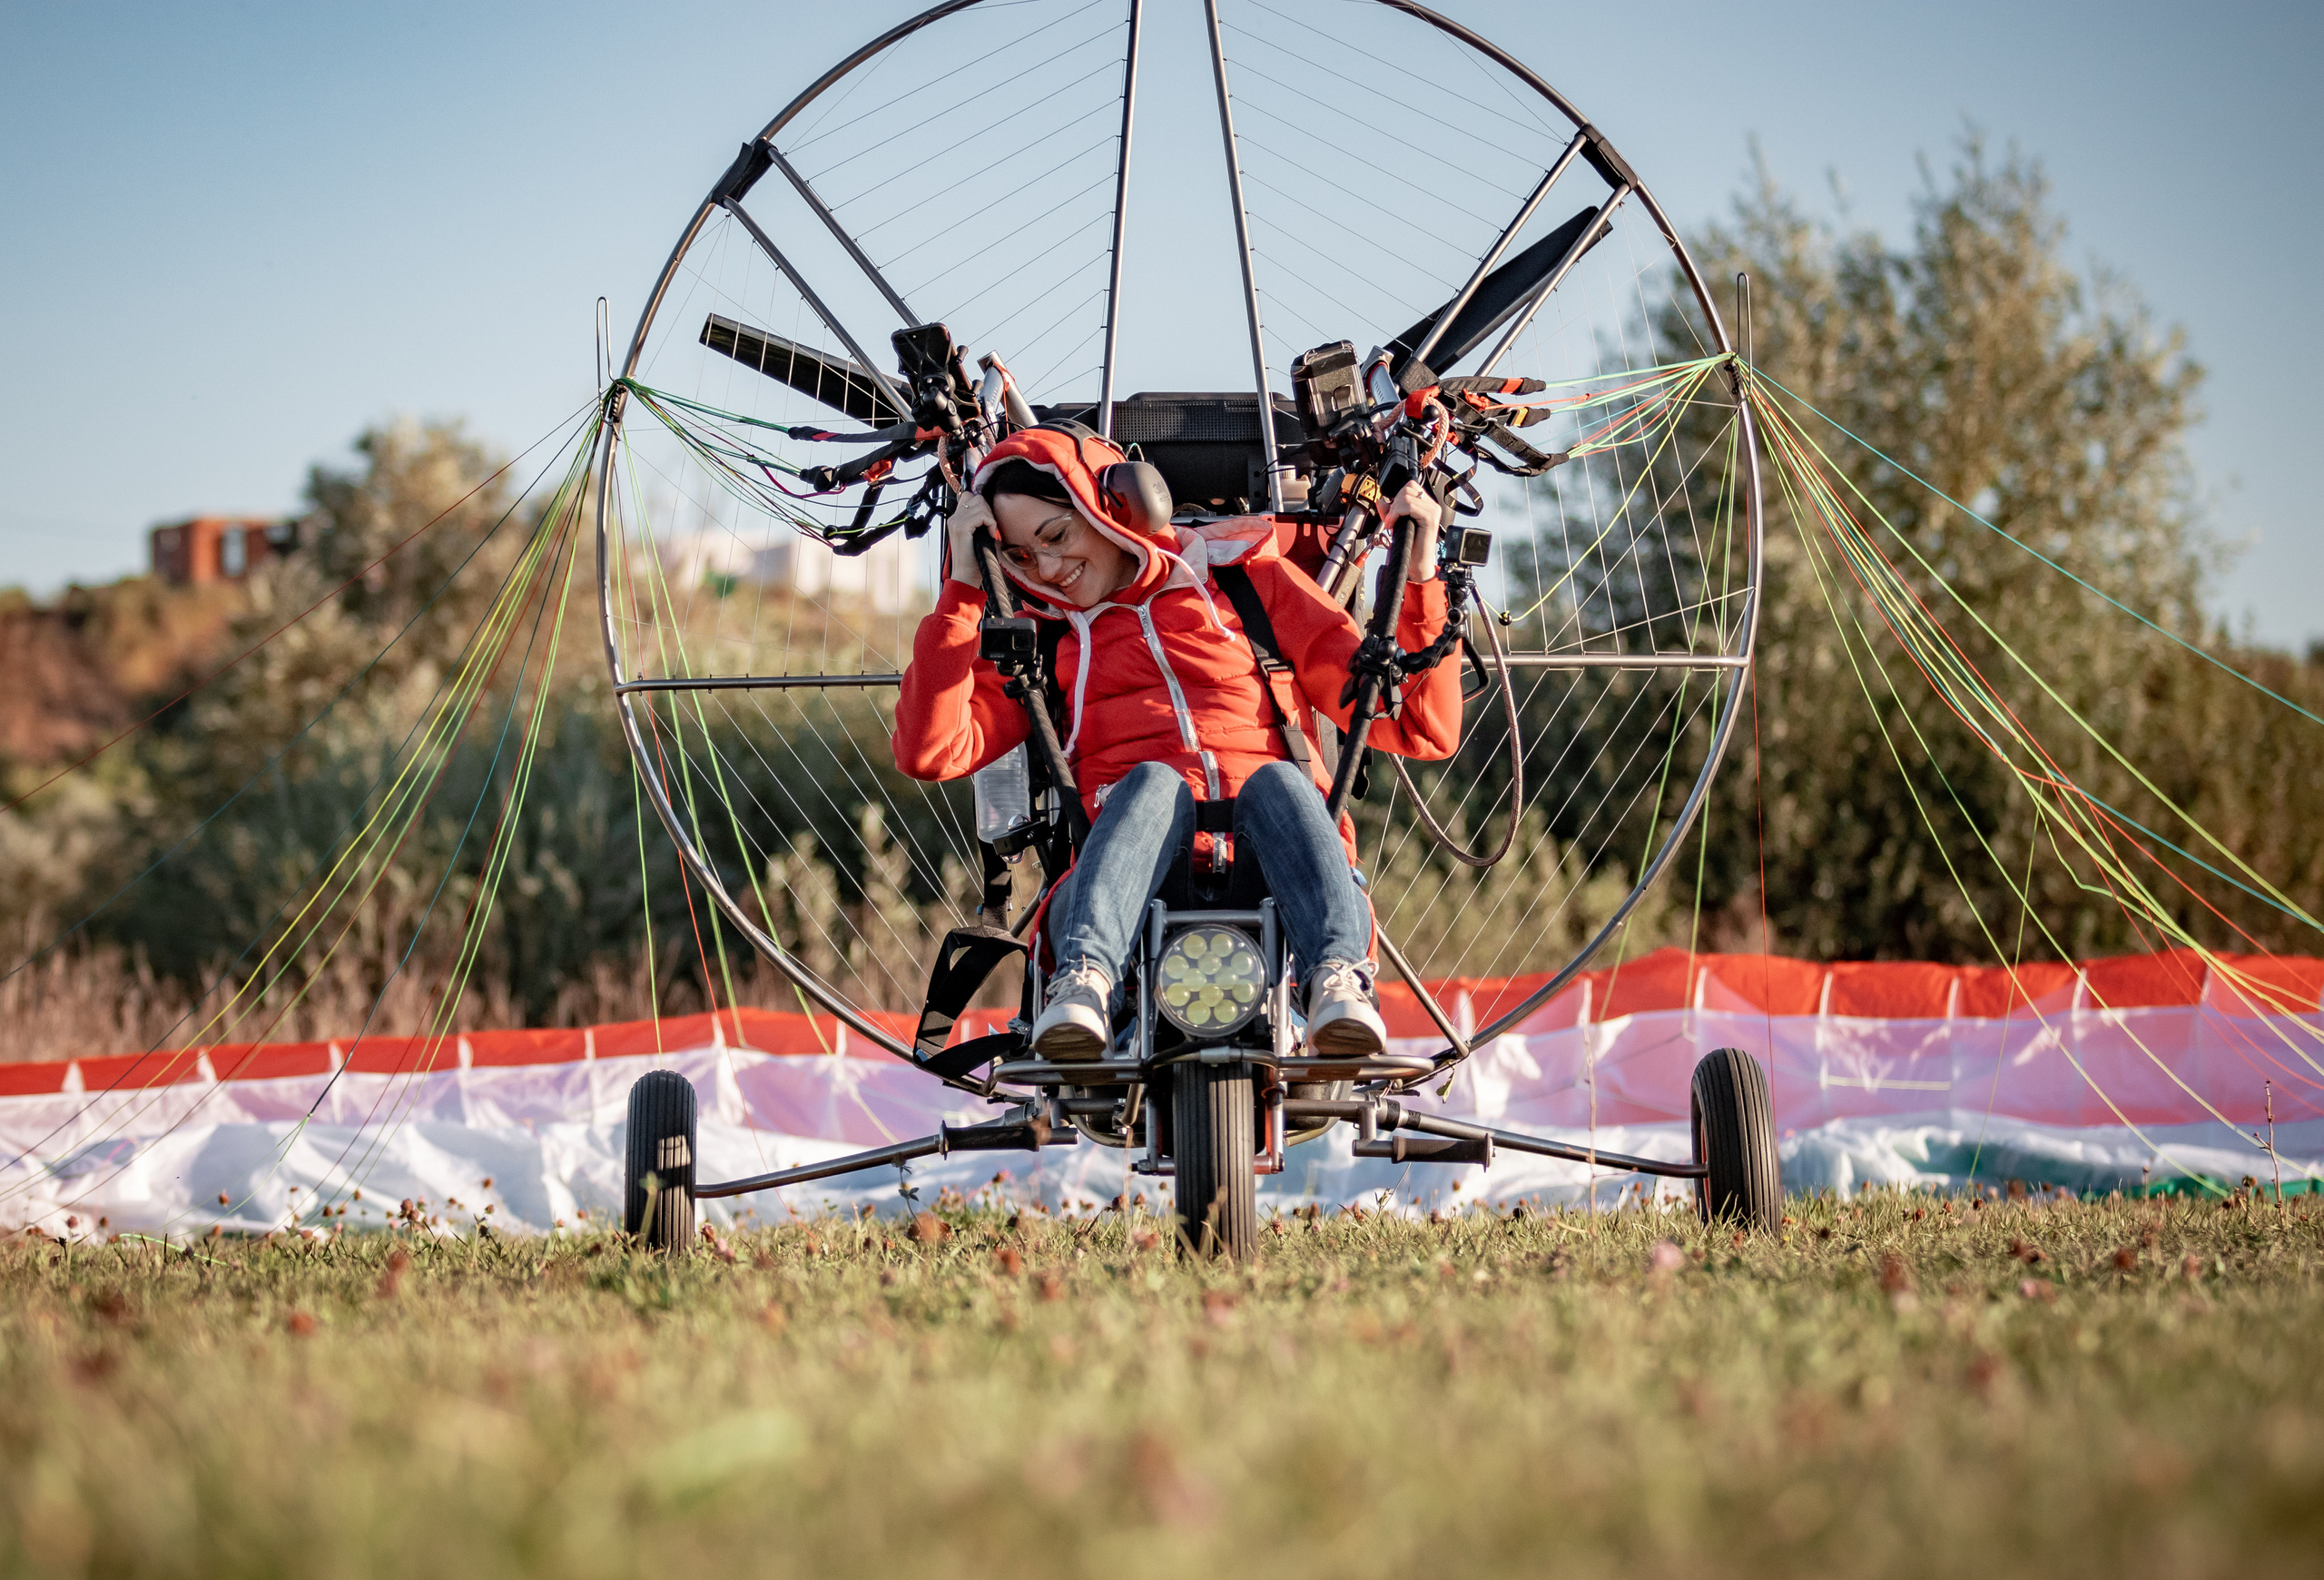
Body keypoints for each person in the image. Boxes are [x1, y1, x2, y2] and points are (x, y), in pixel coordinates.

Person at [891, 424, 1461, 1061]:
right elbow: (929, 751)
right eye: (1021, 558)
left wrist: (1418, 574)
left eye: (1055, 536)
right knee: (1155, 782)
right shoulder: (1045, 642)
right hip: (1116, 894)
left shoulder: (1252, 586)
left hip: (1276, 873)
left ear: (1114, 505)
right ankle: (1085, 984)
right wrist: (964, 590)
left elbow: (1418, 725)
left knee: (1277, 781)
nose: (1048, 568)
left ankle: (1335, 978)